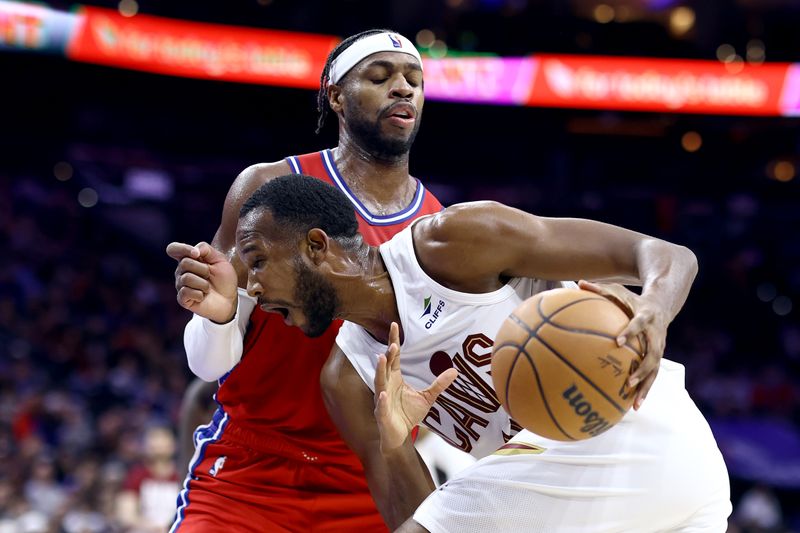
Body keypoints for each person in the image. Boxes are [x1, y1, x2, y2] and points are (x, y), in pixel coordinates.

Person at [217, 174, 731, 532]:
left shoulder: (449, 247)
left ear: (315, 246)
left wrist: (655, 309)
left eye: (257, 262)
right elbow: (418, 513)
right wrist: (397, 445)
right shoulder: (347, 382)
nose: (252, 289)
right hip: (613, 495)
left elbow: (664, 255)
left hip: (635, 428)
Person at [165, 30, 443, 531]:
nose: (403, 89)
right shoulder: (267, 188)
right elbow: (208, 366)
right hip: (253, 472)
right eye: (380, 77)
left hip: (370, 480)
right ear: (336, 95)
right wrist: (220, 315)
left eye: (414, 80)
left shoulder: (438, 228)